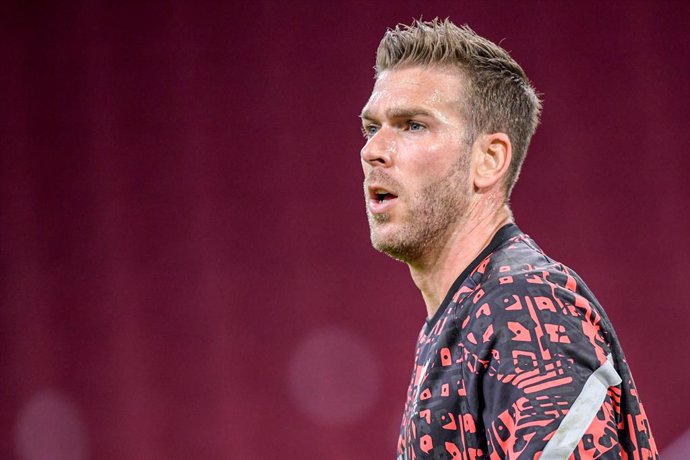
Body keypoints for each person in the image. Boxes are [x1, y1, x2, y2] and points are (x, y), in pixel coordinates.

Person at [359, 18, 657, 459]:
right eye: (371, 128)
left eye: (412, 125)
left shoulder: (526, 306)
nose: (372, 150)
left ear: (489, 159)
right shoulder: (466, 313)